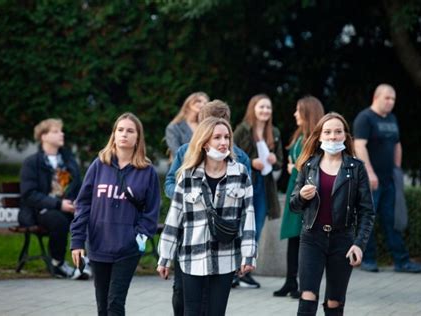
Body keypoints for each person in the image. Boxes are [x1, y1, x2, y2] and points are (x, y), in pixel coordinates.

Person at [157, 117, 257, 316]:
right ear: (204, 143)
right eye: (217, 137)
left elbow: (249, 217)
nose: (223, 142)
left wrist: (249, 254)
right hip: (191, 256)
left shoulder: (241, 173)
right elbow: (174, 218)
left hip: (226, 257)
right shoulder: (186, 175)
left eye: (227, 137)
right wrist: (164, 257)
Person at [71, 112, 161, 315]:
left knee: (115, 304)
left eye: (130, 131)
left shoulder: (147, 171)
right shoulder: (98, 165)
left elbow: (152, 210)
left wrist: (139, 235)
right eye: (120, 130)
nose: (124, 134)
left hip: (127, 248)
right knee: (102, 306)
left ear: (138, 137)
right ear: (113, 134)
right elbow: (83, 204)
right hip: (98, 244)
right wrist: (77, 241)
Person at [290, 112, 375, 316]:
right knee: (307, 296)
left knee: (335, 302)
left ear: (345, 136)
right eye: (327, 132)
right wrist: (301, 196)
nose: (332, 136)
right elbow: (294, 205)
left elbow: (367, 212)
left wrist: (359, 244)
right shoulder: (308, 166)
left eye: (338, 132)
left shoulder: (356, 168)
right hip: (312, 237)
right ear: (319, 136)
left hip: (342, 240)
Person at [353, 84, 421, 273]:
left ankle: (401, 262)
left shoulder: (392, 119)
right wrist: (369, 172)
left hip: (389, 179)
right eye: (387, 98)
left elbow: (397, 144)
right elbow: (359, 146)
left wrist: (397, 169)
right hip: (370, 180)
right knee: (368, 219)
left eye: (393, 99)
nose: (391, 102)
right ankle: (367, 260)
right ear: (376, 97)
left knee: (392, 220)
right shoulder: (365, 118)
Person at [19, 118, 87, 279]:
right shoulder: (32, 163)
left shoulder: (68, 161)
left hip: (67, 207)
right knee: (59, 220)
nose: (61, 134)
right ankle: (58, 264)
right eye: (55, 131)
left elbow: (79, 187)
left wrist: (78, 201)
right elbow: (29, 194)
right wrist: (58, 204)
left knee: (89, 217)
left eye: (61, 131)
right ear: (43, 136)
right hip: (40, 211)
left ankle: (86, 262)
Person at [274, 96, 324, 299]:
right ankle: (290, 280)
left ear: (308, 113)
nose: (295, 114)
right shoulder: (299, 136)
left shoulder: (315, 138)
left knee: (303, 238)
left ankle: (304, 284)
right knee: (293, 238)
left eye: (298, 110)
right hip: (294, 188)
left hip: (306, 192)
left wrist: (294, 167)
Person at [233, 93, 283, 288]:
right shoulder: (243, 130)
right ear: (253, 108)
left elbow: (279, 161)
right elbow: (231, 154)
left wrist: (273, 160)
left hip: (265, 186)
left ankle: (244, 271)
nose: (265, 111)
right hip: (246, 185)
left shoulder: (275, 132)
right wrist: (250, 162)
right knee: (241, 228)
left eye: (268, 107)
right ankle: (233, 272)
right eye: (261, 107)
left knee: (256, 228)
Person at [165, 92, 209, 159]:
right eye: (199, 101)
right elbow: (177, 152)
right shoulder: (174, 127)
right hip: (182, 166)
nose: (202, 104)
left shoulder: (206, 126)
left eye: (205, 103)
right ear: (189, 103)